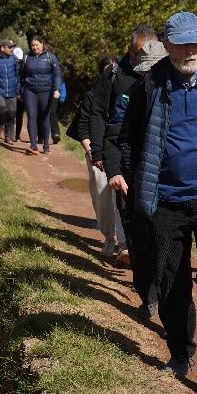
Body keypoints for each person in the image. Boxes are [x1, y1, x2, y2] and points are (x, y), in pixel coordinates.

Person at [107, 11, 197, 394]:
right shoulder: (148, 87)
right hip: (167, 201)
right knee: (172, 278)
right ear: (167, 44)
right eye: (184, 43)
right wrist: (126, 176)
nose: (191, 50)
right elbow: (127, 139)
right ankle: (179, 354)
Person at [88, 26, 165, 314]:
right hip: (122, 159)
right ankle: (148, 294)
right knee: (134, 230)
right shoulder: (114, 75)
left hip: (156, 164)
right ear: (131, 50)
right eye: (136, 53)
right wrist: (101, 155)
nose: (141, 59)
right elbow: (98, 114)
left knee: (160, 231)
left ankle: (161, 290)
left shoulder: (163, 75)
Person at [65, 54, 127, 257]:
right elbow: (83, 127)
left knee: (124, 200)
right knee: (103, 200)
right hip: (97, 153)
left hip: (121, 152)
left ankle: (125, 244)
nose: (112, 73)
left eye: (114, 69)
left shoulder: (128, 92)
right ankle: (110, 239)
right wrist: (94, 153)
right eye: (108, 70)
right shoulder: (92, 97)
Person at [20, 35, 62, 155]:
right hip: (30, 91)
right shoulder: (26, 57)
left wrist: (57, 89)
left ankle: (46, 145)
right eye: (32, 45)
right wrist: (20, 91)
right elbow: (21, 75)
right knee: (31, 116)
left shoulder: (50, 57)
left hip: (46, 91)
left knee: (44, 117)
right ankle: (33, 146)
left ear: (42, 44)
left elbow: (57, 74)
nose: (34, 47)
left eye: (36, 45)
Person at [49, 79, 66, 144]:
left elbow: (61, 81)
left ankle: (55, 134)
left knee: (52, 112)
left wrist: (62, 95)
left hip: (54, 93)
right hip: (41, 92)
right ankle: (40, 135)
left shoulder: (57, 70)